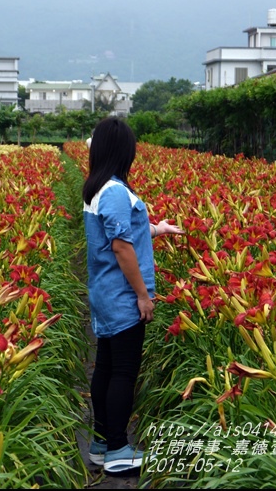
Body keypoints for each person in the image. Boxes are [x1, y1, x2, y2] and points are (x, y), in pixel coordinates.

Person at [82, 117, 184, 474]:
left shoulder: (97, 188)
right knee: (123, 372)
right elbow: (122, 246)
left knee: (106, 367)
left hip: (104, 294)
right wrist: (143, 296)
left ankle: (99, 444)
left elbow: (126, 233)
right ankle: (118, 451)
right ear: (123, 152)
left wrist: (159, 229)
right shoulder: (114, 191)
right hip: (123, 296)